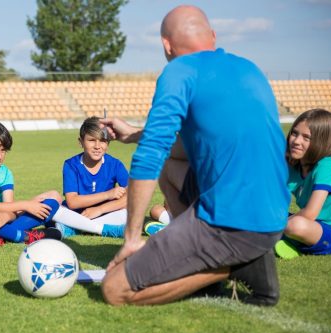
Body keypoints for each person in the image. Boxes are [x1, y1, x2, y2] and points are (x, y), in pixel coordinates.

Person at [98, 5, 290, 306]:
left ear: (166, 44)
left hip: (233, 223)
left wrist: (132, 238)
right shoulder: (248, 68)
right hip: (275, 216)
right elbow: (193, 145)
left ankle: (230, 266)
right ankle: (210, 252)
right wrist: (134, 134)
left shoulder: (178, 71)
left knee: (114, 289)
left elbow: (150, 157)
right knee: (171, 167)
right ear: (212, 36)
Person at [274, 109, 331, 259]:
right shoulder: (293, 165)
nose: (296, 141)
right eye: (295, 133)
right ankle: (289, 242)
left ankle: (283, 239)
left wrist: (271, 226)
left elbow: (310, 213)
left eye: (306, 137)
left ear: (321, 142)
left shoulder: (328, 165)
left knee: (295, 226)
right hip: (308, 223)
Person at [56, 116, 130, 238]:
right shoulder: (70, 164)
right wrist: (108, 194)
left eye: (102, 140)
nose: (97, 146)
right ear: (81, 142)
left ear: (108, 143)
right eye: (91, 140)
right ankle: (103, 229)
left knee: (128, 212)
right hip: (78, 214)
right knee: (54, 208)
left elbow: (132, 197)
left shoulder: (115, 164)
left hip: (105, 212)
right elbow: (72, 202)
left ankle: (76, 229)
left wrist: (100, 209)